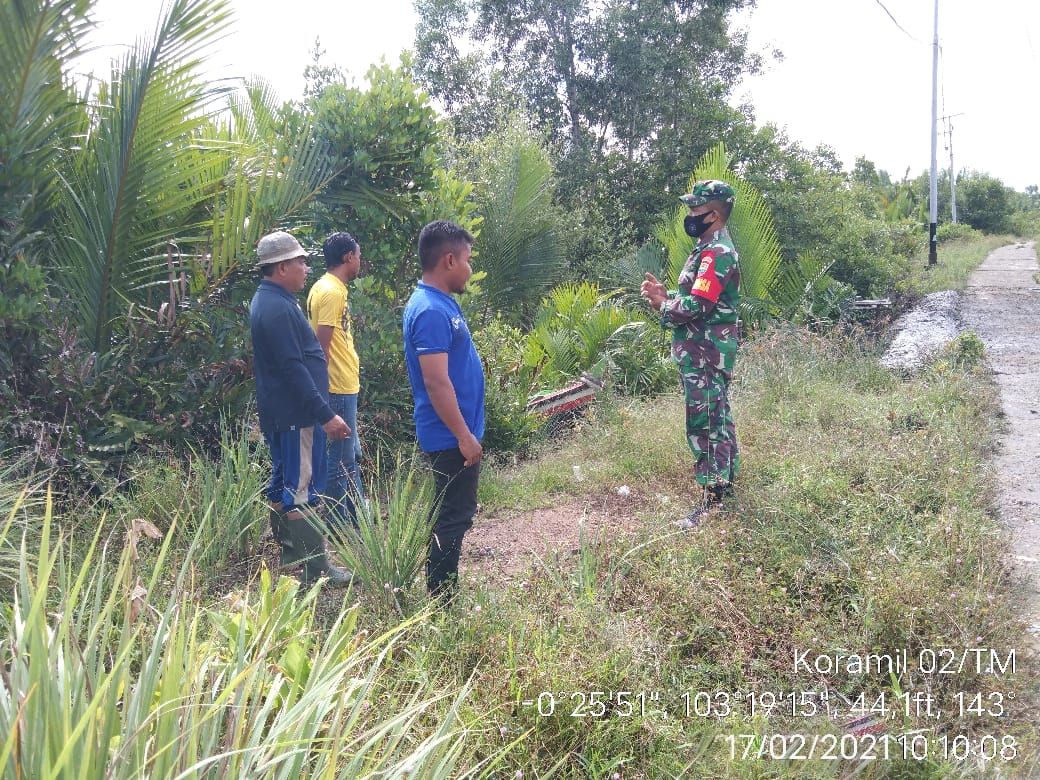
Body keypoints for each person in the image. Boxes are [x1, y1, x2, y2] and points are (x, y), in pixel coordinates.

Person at [249, 230, 353, 585]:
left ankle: (293, 551)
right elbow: (293, 368)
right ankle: (317, 568)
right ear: (280, 268)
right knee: (303, 489)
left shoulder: (272, 300)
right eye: (299, 262)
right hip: (297, 415)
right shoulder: (276, 308)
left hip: (281, 412)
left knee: (284, 482)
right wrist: (325, 414)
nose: (306, 268)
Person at [640, 180, 741, 528]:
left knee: (706, 421)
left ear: (713, 214)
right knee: (718, 416)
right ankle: (725, 485)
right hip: (703, 350)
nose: (690, 216)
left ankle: (714, 501)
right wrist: (666, 294)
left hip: (706, 353)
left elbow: (699, 303)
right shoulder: (705, 249)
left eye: (695, 210)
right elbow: (700, 296)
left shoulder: (717, 252)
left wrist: (663, 304)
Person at [402, 220, 484, 599]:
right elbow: (435, 382)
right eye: (467, 260)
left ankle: (442, 592)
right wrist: (463, 435)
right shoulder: (431, 311)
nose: (469, 268)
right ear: (449, 260)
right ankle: (442, 600)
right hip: (450, 435)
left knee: (452, 513)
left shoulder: (439, 303)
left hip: (455, 432)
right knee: (452, 516)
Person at [307, 231, 365, 533]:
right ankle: (337, 525)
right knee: (340, 461)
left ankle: (358, 519)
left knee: (350, 456)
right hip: (337, 386)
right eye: (358, 255)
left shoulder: (325, 287)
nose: (360, 261)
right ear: (348, 257)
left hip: (345, 384)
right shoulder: (332, 292)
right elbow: (322, 346)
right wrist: (321, 392)